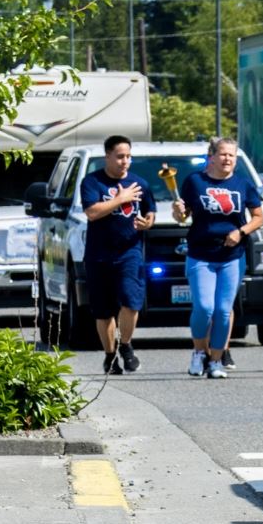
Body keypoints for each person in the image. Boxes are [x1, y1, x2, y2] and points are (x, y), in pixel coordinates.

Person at [172, 137, 263, 379]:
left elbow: (258, 217)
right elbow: (182, 216)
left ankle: (215, 361)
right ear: (211, 157)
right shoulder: (195, 181)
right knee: (204, 307)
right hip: (201, 254)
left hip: (232, 256)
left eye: (231, 155)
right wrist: (178, 211)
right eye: (223, 154)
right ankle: (198, 353)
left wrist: (240, 232)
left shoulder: (243, 184)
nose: (227, 159)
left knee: (223, 311)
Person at [80, 135, 156, 374]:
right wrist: (120, 199)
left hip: (129, 252)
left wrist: (147, 222)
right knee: (103, 311)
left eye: (129, 156)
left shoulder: (139, 183)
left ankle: (126, 345)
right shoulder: (92, 182)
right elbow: (92, 212)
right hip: (99, 254)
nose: (125, 161)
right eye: (120, 156)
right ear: (108, 156)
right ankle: (110, 356)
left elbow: (150, 212)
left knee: (131, 302)